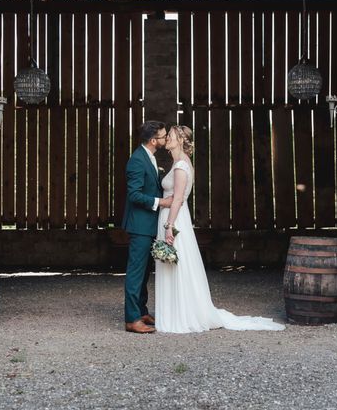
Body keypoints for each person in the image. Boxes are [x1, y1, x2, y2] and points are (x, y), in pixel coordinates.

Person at [155, 125, 285, 333]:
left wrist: (169, 226)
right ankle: (177, 311)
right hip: (174, 216)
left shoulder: (181, 166)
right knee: (174, 265)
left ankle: (181, 314)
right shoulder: (179, 163)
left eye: (170, 136)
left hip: (175, 219)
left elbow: (178, 199)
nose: (166, 139)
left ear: (180, 140)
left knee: (176, 265)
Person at [121, 121, 173, 334]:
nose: (165, 139)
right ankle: (132, 319)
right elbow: (134, 194)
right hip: (140, 225)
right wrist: (160, 202)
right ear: (153, 141)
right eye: (162, 136)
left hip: (149, 225)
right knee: (135, 272)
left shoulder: (149, 157)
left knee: (144, 272)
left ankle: (141, 310)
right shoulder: (136, 161)